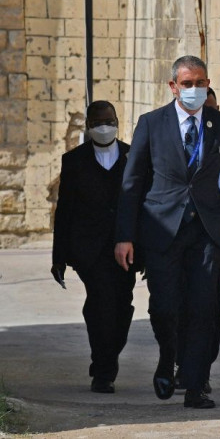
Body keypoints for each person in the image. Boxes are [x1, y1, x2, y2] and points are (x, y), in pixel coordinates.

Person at [114, 55, 220, 409]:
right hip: (162, 230)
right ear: (173, 87)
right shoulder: (151, 124)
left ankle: (196, 383)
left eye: (200, 83)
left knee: (204, 308)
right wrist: (124, 236)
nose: (194, 90)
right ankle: (168, 356)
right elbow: (132, 183)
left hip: (209, 231)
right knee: (165, 306)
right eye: (187, 84)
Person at [51, 100, 138, 394]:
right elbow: (64, 210)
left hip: (127, 248)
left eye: (109, 120)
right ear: (88, 127)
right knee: (101, 302)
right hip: (89, 249)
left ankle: (108, 355)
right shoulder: (74, 160)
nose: (105, 127)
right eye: (98, 122)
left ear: (117, 121)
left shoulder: (133, 156)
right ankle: (103, 371)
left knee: (122, 306)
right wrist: (59, 257)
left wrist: (149, 252)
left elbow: (145, 204)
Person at [174, 87, 220, 394]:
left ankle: (199, 370)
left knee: (207, 306)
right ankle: (178, 362)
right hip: (175, 234)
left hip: (212, 234)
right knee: (175, 303)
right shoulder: (168, 132)